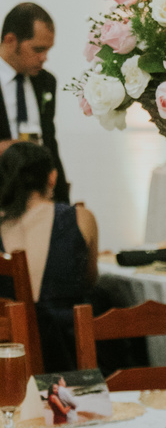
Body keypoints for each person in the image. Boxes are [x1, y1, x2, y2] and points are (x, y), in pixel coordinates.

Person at [0, 142, 97, 372]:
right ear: (52, 177)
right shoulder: (81, 218)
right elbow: (89, 279)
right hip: (72, 354)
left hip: (11, 357)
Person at [0, 3, 69, 203]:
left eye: (47, 50)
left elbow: (50, 143)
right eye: (38, 49)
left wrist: (63, 205)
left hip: (39, 201)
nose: (44, 58)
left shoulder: (46, 82)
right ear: (10, 40)